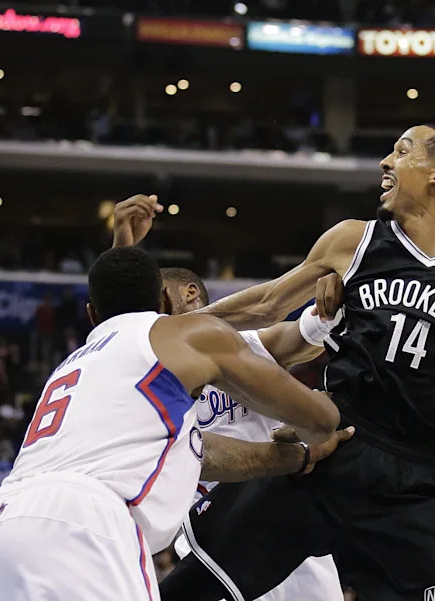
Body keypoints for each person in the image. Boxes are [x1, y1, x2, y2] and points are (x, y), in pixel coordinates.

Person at [159, 124, 435, 601]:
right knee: (191, 591)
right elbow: (266, 305)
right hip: (332, 447)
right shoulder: (354, 240)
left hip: (417, 480)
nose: (385, 163)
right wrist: (160, 330)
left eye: (401, 151)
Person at [0, 246, 340, 601]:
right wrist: (319, 429)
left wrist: (328, 315)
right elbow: (269, 307)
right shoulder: (180, 340)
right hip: (90, 520)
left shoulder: (79, 364)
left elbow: (299, 335)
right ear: (158, 302)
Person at [112, 196, 347, 601]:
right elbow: (120, 328)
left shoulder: (244, 345)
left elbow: (302, 337)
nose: (152, 317)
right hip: (209, 534)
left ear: (189, 294)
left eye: (159, 302)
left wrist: (331, 306)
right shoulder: (151, 369)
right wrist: (122, 246)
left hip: (279, 515)